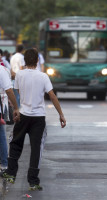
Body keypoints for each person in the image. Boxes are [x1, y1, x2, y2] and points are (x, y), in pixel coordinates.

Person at [2, 48, 66, 191]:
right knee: (36, 149)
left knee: (15, 144)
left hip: (23, 115)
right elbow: (53, 96)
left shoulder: (19, 75)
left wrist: (16, 109)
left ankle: (11, 174)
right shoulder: (43, 77)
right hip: (38, 118)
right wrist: (61, 114)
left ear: (25, 61)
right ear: (37, 61)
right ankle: (33, 181)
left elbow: (17, 93)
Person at [0, 66, 20, 172]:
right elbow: (9, 90)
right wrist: (16, 107)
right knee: (1, 136)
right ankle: (4, 164)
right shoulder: (2, 70)